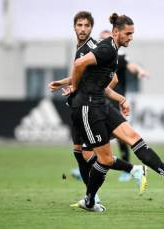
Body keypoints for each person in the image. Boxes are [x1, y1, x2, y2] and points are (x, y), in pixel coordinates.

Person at [68, 12, 164, 212]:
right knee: (104, 159)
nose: (131, 37)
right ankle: (90, 200)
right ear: (116, 32)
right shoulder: (107, 49)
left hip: (102, 104)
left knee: (134, 137)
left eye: (132, 34)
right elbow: (78, 65)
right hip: (89, 108)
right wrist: (74, 87)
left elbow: (106, 81)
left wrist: (121, 99)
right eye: (128, 34)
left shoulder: (113, 50)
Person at [48, 11, 148, 204]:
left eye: (86, 25)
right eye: (79, 25)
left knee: (96, 155)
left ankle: (104, 190)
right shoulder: (80, 48)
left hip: (89, 106)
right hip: (78, 106)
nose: (83, 29)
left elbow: (114, 78)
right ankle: (95, 194)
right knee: (79, 153)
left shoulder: (94, 47)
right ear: (74, 27)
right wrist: (63, 83)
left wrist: (84, 89)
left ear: (91, 27)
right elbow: (83, 75)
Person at [100, 30, 149, 182]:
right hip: (100, 100)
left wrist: (140, 70)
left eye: (107, 38)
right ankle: (90, 161)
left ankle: (128, 169)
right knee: (98, 134)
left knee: (121, 136)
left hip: (116, 100)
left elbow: (131, 65)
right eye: (101, 38)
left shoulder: (119, 57)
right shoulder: (98, 57)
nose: (104, 41)